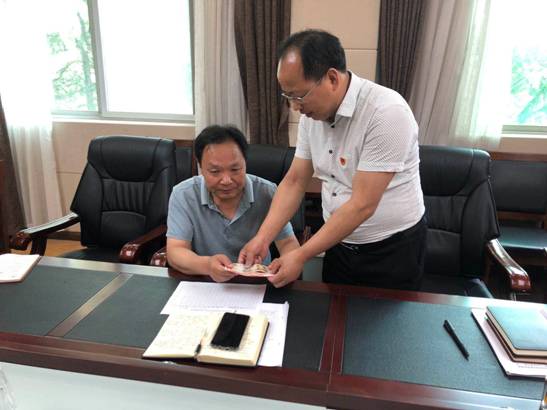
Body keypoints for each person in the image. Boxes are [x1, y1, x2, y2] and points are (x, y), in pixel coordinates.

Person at [239, 29, 426, 290]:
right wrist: (262, 238)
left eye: (298, 96)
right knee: (333, 313)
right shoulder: (311, 116)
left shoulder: (386, 112)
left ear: (332, 78)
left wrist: (301, 254)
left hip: (392, 249)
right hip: (337, 241)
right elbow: (294, 181)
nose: (295, 107)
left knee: (385, 317)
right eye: (288, 97)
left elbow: (362, 204)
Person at [166, 125, 300, 282]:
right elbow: (175, 251)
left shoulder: (268, 192)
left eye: (235, 169)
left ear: (245, 163)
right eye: (215, 171)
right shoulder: (183, 194)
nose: (226, 180)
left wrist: (288, 265)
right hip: (206, 282)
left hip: (258, 283)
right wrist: (207, 265)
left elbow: (288, 243)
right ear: (200, 167)